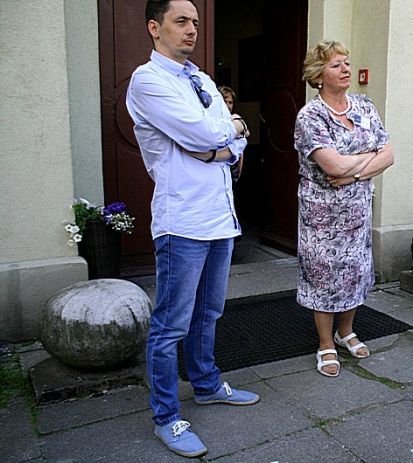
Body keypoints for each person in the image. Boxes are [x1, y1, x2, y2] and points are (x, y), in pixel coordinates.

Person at [126, 0, 258, 457]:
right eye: (180, 21)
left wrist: (225, 136)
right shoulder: (148, 81)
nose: (192, 29)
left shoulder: (200, 78)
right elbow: (205, 135)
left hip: (221, 216)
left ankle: (206, 384)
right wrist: (224, 134)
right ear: (154, 27)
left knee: (210, 312)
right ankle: (166, 417)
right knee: (170, 325)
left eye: (195, 22)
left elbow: (230, 139)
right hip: (181, 221)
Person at [293, 40, 394, 377]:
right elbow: (331, 166)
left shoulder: (364, 106)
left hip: (358, 209)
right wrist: (369, 157)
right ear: (318, 75)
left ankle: (346, 330)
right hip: (322, 215)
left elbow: (389, 154)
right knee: (323, 276)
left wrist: (355, 174)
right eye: (336, 65)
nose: (346, 69)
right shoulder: (311, 116)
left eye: (347, 63)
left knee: (355, 271)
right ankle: (325, 342)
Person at [217, 85, 249, 181]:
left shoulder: (234, 118)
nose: (228, 105)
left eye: (230, 102)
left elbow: (247, 133)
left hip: (233, 169)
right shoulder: (213, 120)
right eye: (224, 101)